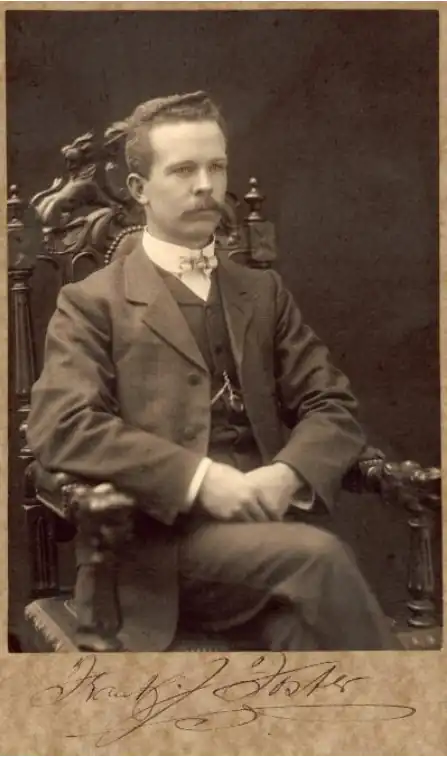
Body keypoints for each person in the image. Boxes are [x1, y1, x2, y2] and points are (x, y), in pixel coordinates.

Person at [27, 91, 400, 651]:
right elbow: (61, 426)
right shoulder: (92, 302)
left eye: (216, 166)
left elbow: (332, 404)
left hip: (264, 543)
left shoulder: (262, 292)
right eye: (183, 170)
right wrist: (199, 480)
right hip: (154, 554)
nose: (206, 185)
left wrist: (289, 474)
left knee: (309, 641)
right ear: (139, 189)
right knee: (320, 559)